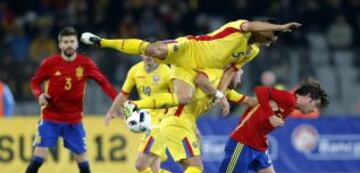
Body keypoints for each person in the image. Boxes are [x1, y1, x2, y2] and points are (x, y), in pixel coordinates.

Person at [81, 19, 301, 117]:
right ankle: (103, 42)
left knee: (184, 98)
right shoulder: (240, 27)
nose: (270, 41)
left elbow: (231, 70)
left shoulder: (252, 51)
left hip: (197, 70)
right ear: (264, 28)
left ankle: (133, 107)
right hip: (190, 48)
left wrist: (220, 93)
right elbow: (252, 25)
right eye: (271, 36)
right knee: (154, 51)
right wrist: (281, 26)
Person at [12, 26, 118, 173]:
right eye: (65, 42)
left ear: (77, 43)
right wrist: (39, 95)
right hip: (51, 118)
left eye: (72, 41)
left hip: (74, 120)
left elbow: (103, 82)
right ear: (60, 44)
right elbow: (34, 82)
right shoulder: (50, 63)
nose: (69, 45)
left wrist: (118, 101)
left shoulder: (85, 63)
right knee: (38, 159)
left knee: (84, 165)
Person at [201, 80, 329, 173]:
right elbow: (261, 89)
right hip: (243, 142)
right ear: (308, 97)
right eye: (315, 105)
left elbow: (262, 105)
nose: (314, 110)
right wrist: (270, 115)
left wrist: (267, 112)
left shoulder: (289, 105)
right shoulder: (289, 98)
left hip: (259, 145)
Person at [160, 67, 256, 173]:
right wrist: (220, 96)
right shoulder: (214, 74)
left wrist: (277, 103)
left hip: (186, 125)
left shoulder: (224, 90)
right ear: (233, 71)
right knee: (195, 168)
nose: (240, 81)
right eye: (240, 75)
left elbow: (248, 101)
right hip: (177, 123)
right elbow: (199, 80)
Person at [105, 55, 176, 173]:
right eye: (146, 53)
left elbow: (177, 98)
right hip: (148, 123)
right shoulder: (135, 70)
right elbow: (123, 95)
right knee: (155, 171)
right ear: (141, 54)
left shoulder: (166, 71)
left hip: (161, 124)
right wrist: (112, 111)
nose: (149, 57)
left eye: (153, 53)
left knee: (140, 164)